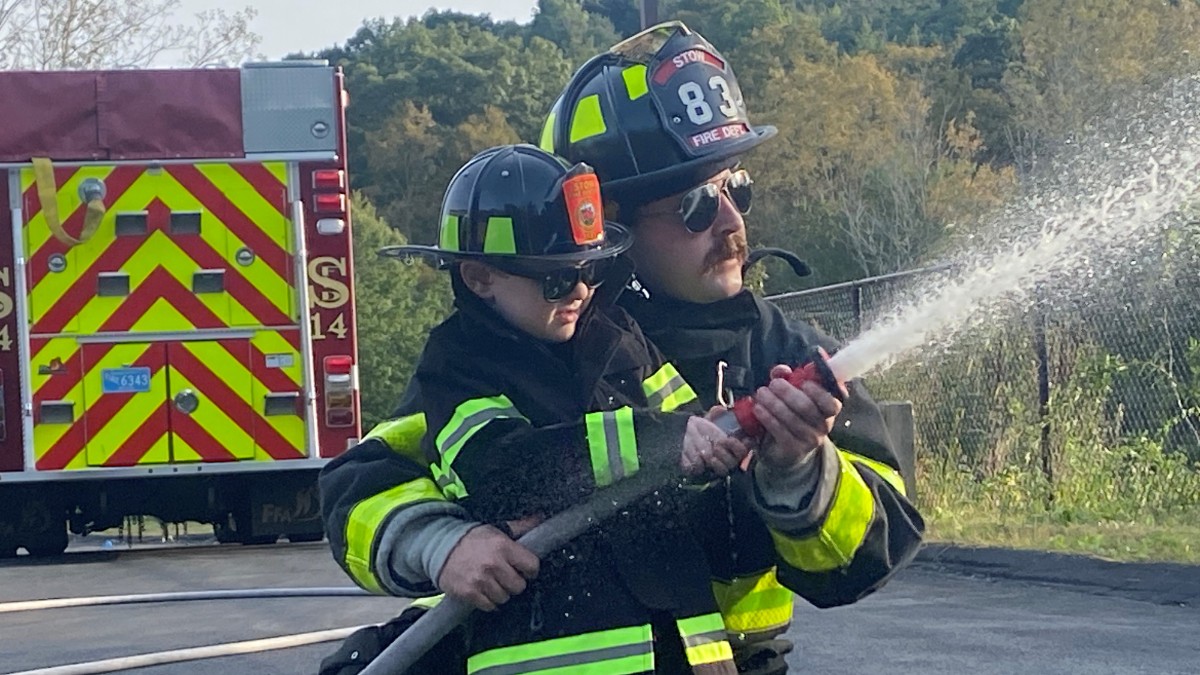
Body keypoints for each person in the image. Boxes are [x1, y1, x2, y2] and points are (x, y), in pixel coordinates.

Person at [319, 21, 923, 675]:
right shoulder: (542, 349)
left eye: (735, 187)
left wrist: (801, 472)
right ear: (606, 224)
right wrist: (445, 541)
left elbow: (868, 557)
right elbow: (362, 489)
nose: (731, 222)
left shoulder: (783, 353)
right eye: (695, 203)